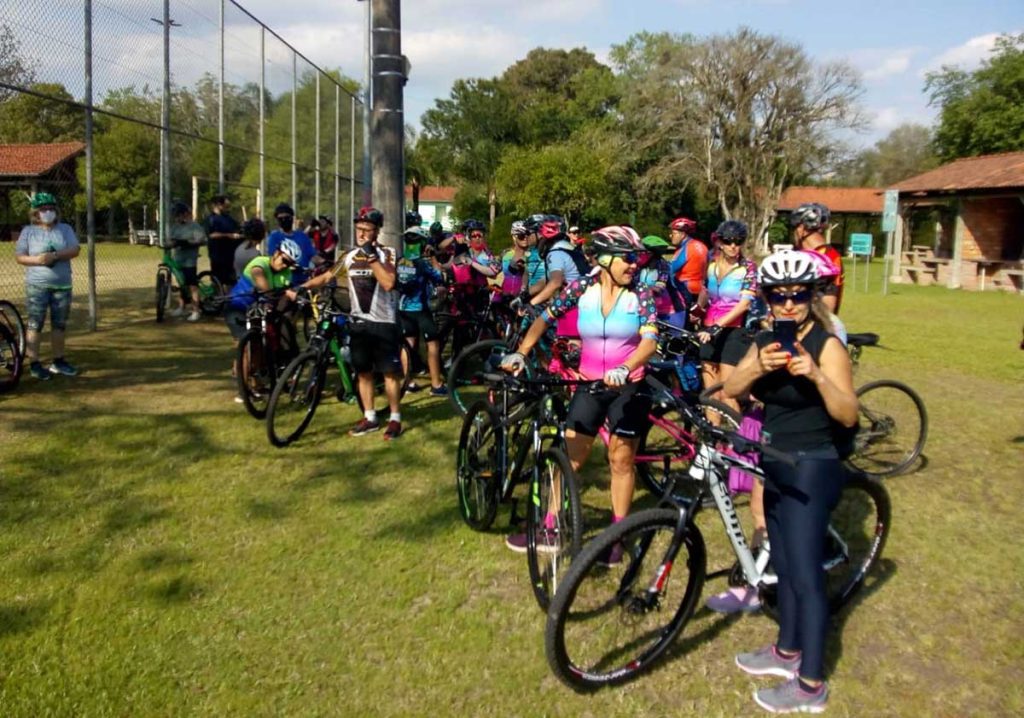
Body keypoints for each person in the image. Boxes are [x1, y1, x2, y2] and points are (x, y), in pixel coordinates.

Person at [723, 249, 858, 714]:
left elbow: (847, 413)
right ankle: (786, 650)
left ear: (812, 295)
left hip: (812, 465)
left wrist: (817, 376)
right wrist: (758, 366)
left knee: (805, 576)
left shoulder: (827, 345)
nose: (788, 305)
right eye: (777, 296)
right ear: (765, 298)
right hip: (775, 459)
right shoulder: (765, 342)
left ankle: (812, 682)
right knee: (782, 562)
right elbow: (733, 390)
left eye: (798, 295)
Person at [501, 226, 659, 562]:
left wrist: (627, 367)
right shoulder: (581, 289)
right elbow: (544, 318)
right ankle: (550, 527)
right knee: (569, 457)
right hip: (589, 384)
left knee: (620, 460)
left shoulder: (641, 294)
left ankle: (617, 539)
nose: (635, 265)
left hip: (628, 387)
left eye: (637, 258)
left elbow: (649, 341)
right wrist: (522, 351)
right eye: (628, 258)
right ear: (604, 260)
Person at [307, 206, 404, 439]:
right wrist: (299, 289)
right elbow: (328, 276)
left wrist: (371, 257)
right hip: (359, 324)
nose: (361, 234)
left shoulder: (387, 253)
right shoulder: (349, 257)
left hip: (384, 323)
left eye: (367, 230)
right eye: (358, 229)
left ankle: (394, 418)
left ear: (376, 231)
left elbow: (389, 282)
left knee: (390, 374)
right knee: (363, 372)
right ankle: (370, 417)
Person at [13, 191, 81, 379]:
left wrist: (56, 256)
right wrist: (38, 260)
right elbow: (20, 256)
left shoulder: (65, 229)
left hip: (62, 286)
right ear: (36, 212)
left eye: (51, 209)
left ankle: (58, 360)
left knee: (59, 324)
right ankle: (34, 362)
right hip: (37, 286)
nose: (48, 212)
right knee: (35, 324)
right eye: (44, 209)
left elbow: (75, 250)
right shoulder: (28, 232)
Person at [223, 238, 304, 387]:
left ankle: (255, 382)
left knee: (259, 346)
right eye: (285, 260)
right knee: (246, 348)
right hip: (237, 307)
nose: (285, 266)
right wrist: (269, 293)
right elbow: (258, 275)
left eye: (290, 264)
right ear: (276, 253)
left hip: (258, 311)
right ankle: (243, 388)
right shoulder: (260, 262)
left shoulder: (286, 273)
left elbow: (283, 297)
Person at [697, 220, 758, 413]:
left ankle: (740, 440)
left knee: (726, 391)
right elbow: (705, 292)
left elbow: (744, 304)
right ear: (720, 243)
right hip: (708, 329)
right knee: (710, 394)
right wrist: (697, 310)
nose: (733, 246)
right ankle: (713, 441)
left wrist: (717, 326)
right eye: (729, 241)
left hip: (735, 331)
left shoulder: (748, 268)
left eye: (738, 242)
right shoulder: (711, 266)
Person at [396, 226, 447, 396]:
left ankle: (408, 382)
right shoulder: (422, 264)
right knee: (433, 344)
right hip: (421, 309)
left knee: (408, 345)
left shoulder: (400, 261)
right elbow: (440, 276)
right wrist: (433, 257)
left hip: (403, 308)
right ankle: (436, 384)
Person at [527, 215, 589, 339]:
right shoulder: (568, 249)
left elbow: (555, 282)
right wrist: (526, 293)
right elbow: (550, 279)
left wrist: (532, 302)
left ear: (541, 234)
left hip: (572, 309)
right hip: (584, 306)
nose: (527, 236)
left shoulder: (555, 253)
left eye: (530, 233)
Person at [789, 203, 844, 313]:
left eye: (794, 228)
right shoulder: (831, 256)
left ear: (801, 228)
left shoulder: (829, 259)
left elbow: (828, 304)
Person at [637, 235, 688, 331]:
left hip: (672, 312)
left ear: (652, 253)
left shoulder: (664, 267)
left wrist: (640, 288)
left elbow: (659, 288)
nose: (640, 255)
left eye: (643, 252)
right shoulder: (639, 267)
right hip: (650, 310)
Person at [168, 201, 207, 322]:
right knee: (182, 284)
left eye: (179, 215)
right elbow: (170, 241)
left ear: (186, 214)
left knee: (192, 284)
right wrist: (172, 243)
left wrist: (189, 242)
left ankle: (196, 310)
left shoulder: (194, 226)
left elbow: (203, 240)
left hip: (189, 260)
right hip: (178, 258)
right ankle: (182, 307)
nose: (177, 218)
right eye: (175, 215)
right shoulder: (175, 227)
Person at [266, 203, 321, 286]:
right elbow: (274, 259)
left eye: (287, 218)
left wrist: (324, 262)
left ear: (292, 218)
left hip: (303, 282)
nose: (284, 220)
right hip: (283, 283)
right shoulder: (274, 237)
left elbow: (312, 255)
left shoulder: (302, 236)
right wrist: (291, 265)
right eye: (281, 218)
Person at [667, 216, 708, 310]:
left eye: (673, 233)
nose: (670, 236)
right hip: (700, 290)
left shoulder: (685, 248)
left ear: (683, 234)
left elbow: (671, 269)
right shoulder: (702, 246)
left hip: (685, 290)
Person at [204, 195, 243, 288]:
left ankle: (230, 299)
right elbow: (211, 235)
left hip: (230, 254)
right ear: (218, 205)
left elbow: (238, 227)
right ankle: (217, 298)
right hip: (217, 254)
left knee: (231, 280)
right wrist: (228, 235)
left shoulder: (228, 218)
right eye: (225, 206)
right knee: (218, 280)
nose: (227, 208)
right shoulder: (211, 219)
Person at [500, 221, 545, 300]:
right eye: (521, 236)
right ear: (514, 237)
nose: (525, 238)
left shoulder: (533, 255)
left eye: (527, 235)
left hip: (524, 296)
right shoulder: (506, 255)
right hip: (505, 295)